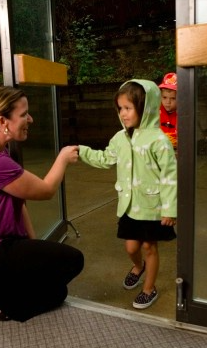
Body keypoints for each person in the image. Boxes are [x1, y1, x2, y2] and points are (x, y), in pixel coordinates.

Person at [0, 86, 84, 322]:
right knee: (63, 281)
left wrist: (33, 247)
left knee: (45, 274)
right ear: (4, 121)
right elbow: (46, 190)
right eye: (24, 114)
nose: (30, 119)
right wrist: (63, 158)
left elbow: (19, 203)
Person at [78, 79, 177, 309]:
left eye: (128, 108)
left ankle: (149, 288)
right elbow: (104, 159)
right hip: (130, 206)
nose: (123, 114)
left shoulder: (159, 141)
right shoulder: (119, 138)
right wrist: (81, 151)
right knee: (132, 247)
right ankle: (137, 266)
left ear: (146, 107)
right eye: (120, 108)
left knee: (149, 247)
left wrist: (170, 209)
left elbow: (170, 177)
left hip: (153, 206)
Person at [158, 72, 177, 151]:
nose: (168, 102)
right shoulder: (157, 111)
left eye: (173, 98)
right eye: (164, 97)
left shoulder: (184, 113)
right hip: (159, 148)